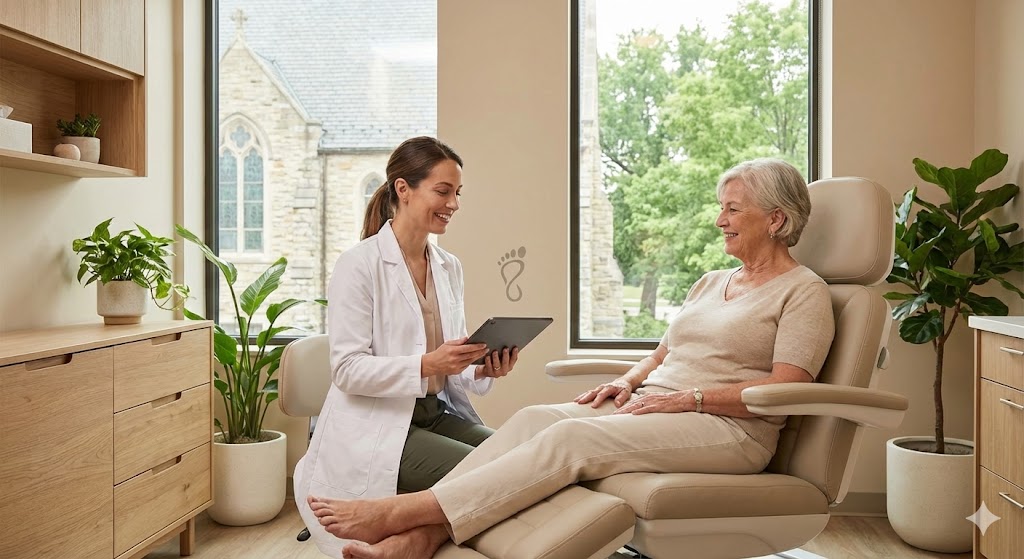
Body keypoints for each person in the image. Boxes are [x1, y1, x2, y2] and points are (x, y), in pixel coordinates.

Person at [308, 158, 837, 559]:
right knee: (536, 418)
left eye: (731, 208)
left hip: (728, 430)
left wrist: (689, 398)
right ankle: (423, 537)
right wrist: (628, 381)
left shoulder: (803, 292)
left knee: (571, 438)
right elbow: (664, 353)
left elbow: (781, 392)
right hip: (659, 406)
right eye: (720, 206)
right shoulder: (713, 281)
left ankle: (404, 515)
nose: (719, 219)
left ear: (776, 218)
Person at [293, 136, 520, 557]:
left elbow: (449, 360)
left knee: (522, 460)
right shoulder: (358, 265)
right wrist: (425, 363)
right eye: (443, 190)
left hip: (434, 413)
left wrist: (481, 367)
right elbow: (347, 369)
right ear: (403, 189)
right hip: (376, 423)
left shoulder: (449, 267)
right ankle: (399, 529)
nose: (453, 203)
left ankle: (412, 539)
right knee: (492, 476)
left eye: (457, 193)